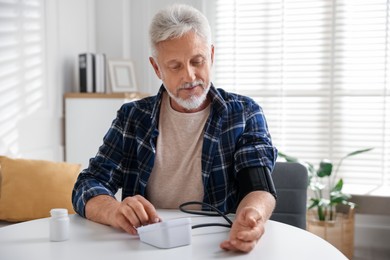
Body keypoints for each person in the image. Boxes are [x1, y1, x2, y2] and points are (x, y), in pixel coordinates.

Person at [72, 4, 277, 253]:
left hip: (216, 244)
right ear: (157, 68)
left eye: (197, 61)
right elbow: (88, 183)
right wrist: (114, 210)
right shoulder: (133, 117)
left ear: (211, 55)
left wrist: (251, 215)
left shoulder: (244, 113)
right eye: (175, 66)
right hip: (146, 245)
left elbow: (258, 186)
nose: (189, 76)